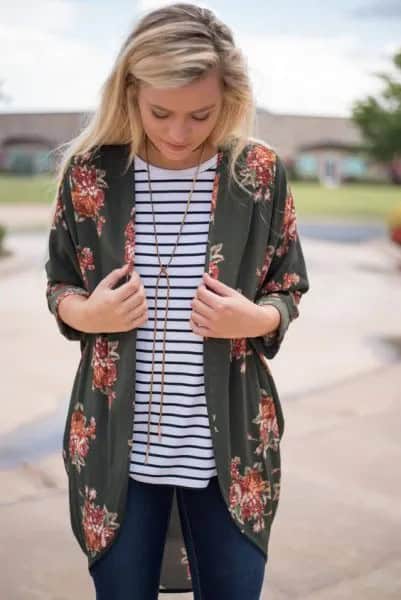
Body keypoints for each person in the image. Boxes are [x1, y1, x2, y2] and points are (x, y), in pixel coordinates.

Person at [44, 3, 310, 599]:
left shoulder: (258, 174)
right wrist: (86, 315)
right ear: (131, 90)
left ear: (230, 100)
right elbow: (59, 280)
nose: (178, 133)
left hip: (232, 452)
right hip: (115, 447)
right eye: (160, 111)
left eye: (202, 114)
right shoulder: (90, 175)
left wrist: (258, 317)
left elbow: (289, 285)